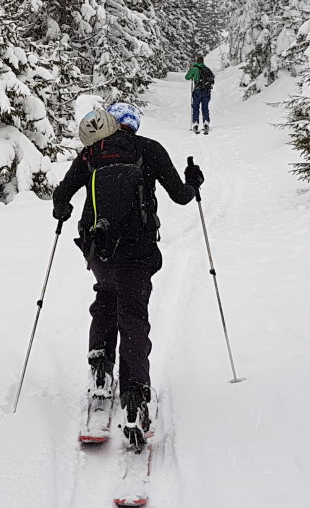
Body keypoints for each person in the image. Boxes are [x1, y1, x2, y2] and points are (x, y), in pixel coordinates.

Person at [52, 100, 204, 448]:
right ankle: (135, 401)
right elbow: (181, 196)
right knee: (133, 317)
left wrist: (64, 209)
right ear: (133, 124)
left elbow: (62, 196)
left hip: (98, 248)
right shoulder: (148, 149)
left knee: (105, 298)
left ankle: (101, 371)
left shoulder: (91, 154)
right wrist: (194, 182)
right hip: (137, 250)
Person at [185, 56, 216, 134]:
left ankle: (195, 124)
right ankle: (206, 123)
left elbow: (187, 77)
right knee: (205, 107)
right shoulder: (207, 69)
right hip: (206, 91)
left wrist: (191, 71)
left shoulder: (194, 69)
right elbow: (212, 78)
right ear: (203, 61)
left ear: (197, 61)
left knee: (196, 107)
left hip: (197, 91)